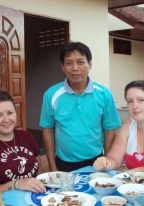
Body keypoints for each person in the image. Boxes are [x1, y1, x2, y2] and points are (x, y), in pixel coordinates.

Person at [39, 41, 121, 172]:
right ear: (63, 67)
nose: (75, 68)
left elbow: (109, 129)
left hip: (97, 161)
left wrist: (108, 159)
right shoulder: (51, 95)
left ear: (90, 64)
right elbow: (47, 130)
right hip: (64, 163)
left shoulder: (104, 94)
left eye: (80, 62)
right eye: (69, 63)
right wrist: (52, 166)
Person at [0, 91, 46, 193]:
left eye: (10, 113)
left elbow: (39, 175)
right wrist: (16, 184)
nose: (6, 120)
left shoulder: (26, 136)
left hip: (34, 197)